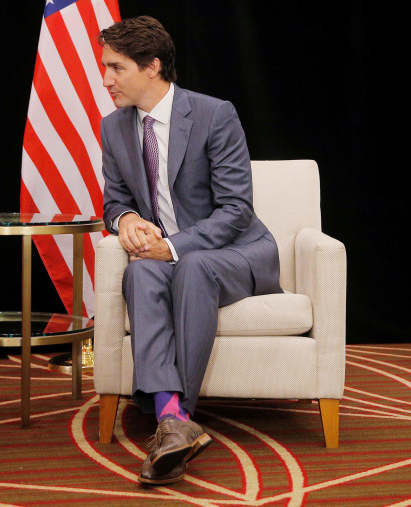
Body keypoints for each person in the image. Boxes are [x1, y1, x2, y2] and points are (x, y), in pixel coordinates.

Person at [98, 17, 283, 485]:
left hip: (236, 252)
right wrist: (127, 221)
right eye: (105, 68)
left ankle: (174, 420)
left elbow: (237, 210)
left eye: (116, 68)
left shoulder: (213, 114)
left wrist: (173, 247)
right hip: (169, 258)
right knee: (137, 274)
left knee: (193, 266)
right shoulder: (114, 128)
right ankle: (173, 419)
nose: (106, 80)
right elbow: (114, 201)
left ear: (153, 65)